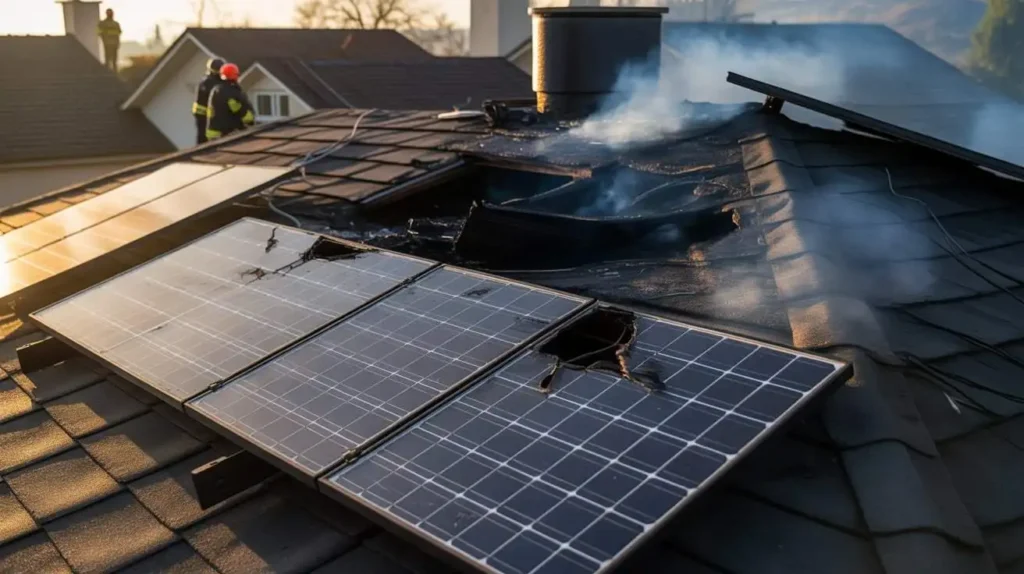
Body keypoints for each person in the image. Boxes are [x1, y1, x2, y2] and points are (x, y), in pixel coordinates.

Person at [205, 63, 255, 141]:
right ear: (235, 76)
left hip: (212, 133)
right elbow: (245, 116)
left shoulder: (216, 90)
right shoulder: (232, 92)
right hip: (227, 134)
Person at [193, 58, 225, 145]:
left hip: (200, 115)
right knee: (207, 139)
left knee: (201, 138)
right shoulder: (214, 83)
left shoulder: (204, 81)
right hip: (207, 115)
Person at [96, 8, 122, 73]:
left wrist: (118, 43)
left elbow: (118, 33)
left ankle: (115, 73)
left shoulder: (116, 24)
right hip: (107, 44)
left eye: (111, 13)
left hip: (114, 44)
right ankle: (107, 73)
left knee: (114, 60)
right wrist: (103, 38)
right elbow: (99, 32)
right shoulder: (102, 23)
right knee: (107, 59)